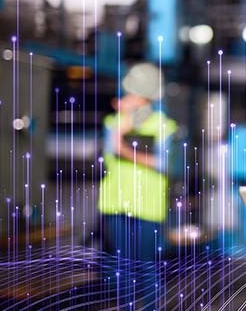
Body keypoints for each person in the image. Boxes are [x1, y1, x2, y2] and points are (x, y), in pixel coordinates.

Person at [98, 62, 177, 309]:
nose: (129, 98)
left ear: (147, 97)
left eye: (134, 94)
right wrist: (125, 125)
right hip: (115, 205)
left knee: (145, 266)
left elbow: (164, 163)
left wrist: (125, 149)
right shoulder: (114, 122)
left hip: (146, 208)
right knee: (120, 267)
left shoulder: (164, 126)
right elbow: (110, 152)